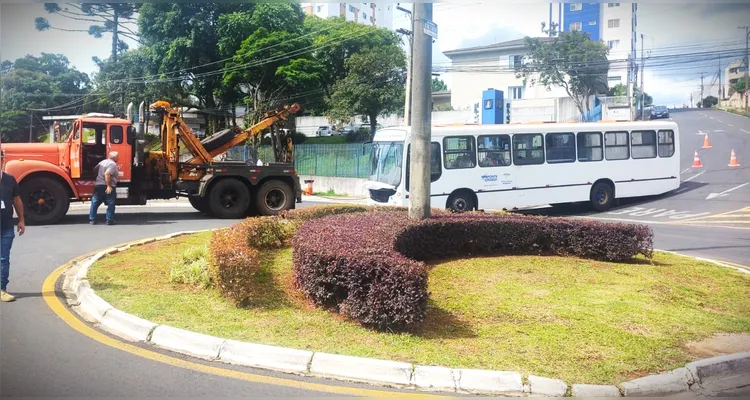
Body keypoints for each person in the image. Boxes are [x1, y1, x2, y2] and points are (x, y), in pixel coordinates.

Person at [1, 152, 25, 302]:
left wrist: (21, 220)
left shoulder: (9, 180)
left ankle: (2, 289)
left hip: (6, 226)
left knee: (3, 259)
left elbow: (17, 200)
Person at [89, 151, 119, 226]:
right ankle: (109, 220)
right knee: (111, 203)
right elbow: (107, 174)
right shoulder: (112, 164)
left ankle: (92, 220)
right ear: (114, 157)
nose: (118, 158)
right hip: (107, 185)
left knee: (95, 202)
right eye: (118, 156)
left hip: (98, 185)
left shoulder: (102, 162)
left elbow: (94, 170)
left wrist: (99, 177)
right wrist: (109, 186)